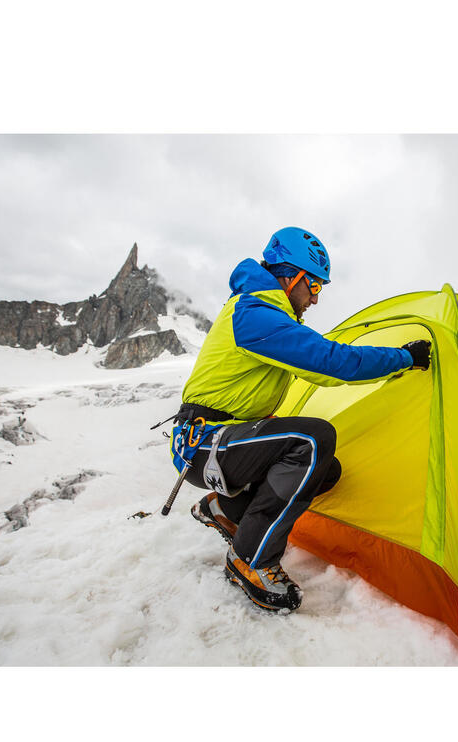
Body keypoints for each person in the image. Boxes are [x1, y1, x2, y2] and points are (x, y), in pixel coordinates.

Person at [171, 226, 431, 613]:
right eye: (315, 287)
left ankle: (225, 510)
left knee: (325, 469)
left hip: (216, 443)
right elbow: (331, 362)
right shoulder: (255, 314)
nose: (314, 298)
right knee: (312, 441)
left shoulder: (263, 314)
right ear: (293, 277)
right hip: (204, 444)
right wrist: (404, 358)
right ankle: (251, 560)